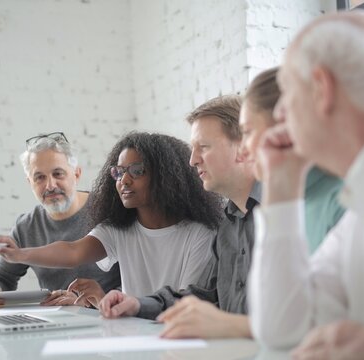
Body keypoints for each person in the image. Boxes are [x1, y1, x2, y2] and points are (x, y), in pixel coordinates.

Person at [249, 11, 364, 359]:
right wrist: (282, 188)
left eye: (288, 91)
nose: (279, 115)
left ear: (322, 89)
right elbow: (282, 330)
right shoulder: (362, 203)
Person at [99, 88, 344, 339]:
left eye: (203, 147)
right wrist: (139, 304)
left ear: (243, 146)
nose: (193, 160)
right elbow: (208, 296)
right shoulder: (228, 223)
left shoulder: (295, 210)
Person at [0, 132, 222, 305]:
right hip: (127, 334)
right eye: (118, 172)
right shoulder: (119, 228)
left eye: (137, 171)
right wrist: (18, 254)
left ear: (166, 177)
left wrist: (109, 301)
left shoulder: (200, 234)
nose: (124, 181)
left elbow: (182, 305)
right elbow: (72, 252)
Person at [0, 132, 121, 309]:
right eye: (39, 177)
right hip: (54, 324)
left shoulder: (109, 212)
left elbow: (134, 283)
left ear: (76, 174)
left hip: (108, 321)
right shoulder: (27, 226)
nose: (50, 185)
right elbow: (1, 277)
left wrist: (89, 302)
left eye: (58, 174)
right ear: (29, 182)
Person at [239, 66, 345, 253]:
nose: (242, 149)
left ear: (283, 125)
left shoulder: (340, 205)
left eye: (248, 132)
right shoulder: (290, 205)